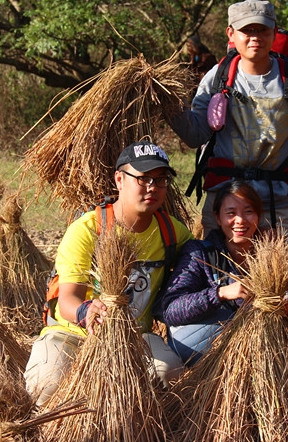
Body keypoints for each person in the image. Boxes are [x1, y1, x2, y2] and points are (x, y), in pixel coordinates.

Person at [24, 140, 193, 407]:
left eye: (161, 180)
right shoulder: (88, 230)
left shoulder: (172, 233)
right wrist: (86, 312)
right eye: (144, 178)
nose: (153, 187)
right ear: (119, 180)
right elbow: (67, 299)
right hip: (72, 335)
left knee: (170, 375)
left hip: (135, 336)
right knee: (45, 385)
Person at [167, 0, 288, 236]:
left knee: (281, 271)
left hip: (277, 204)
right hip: (226, 205)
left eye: (262, 30)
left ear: (274, 32)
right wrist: (167, 103)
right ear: (231, 33)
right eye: (247, 30)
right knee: (219, 271)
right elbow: (196, 135)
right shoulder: (218, 77)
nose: (255, 37)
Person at [154, 180, 261, 364]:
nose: (241, 220)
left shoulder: (270, 257)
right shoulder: (200, 253)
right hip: (207, 358)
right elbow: (171, 310)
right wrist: (220, 293)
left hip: (258, 352)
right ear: (218, 218)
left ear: (259, 215)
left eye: (248, 211)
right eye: (231, 213)